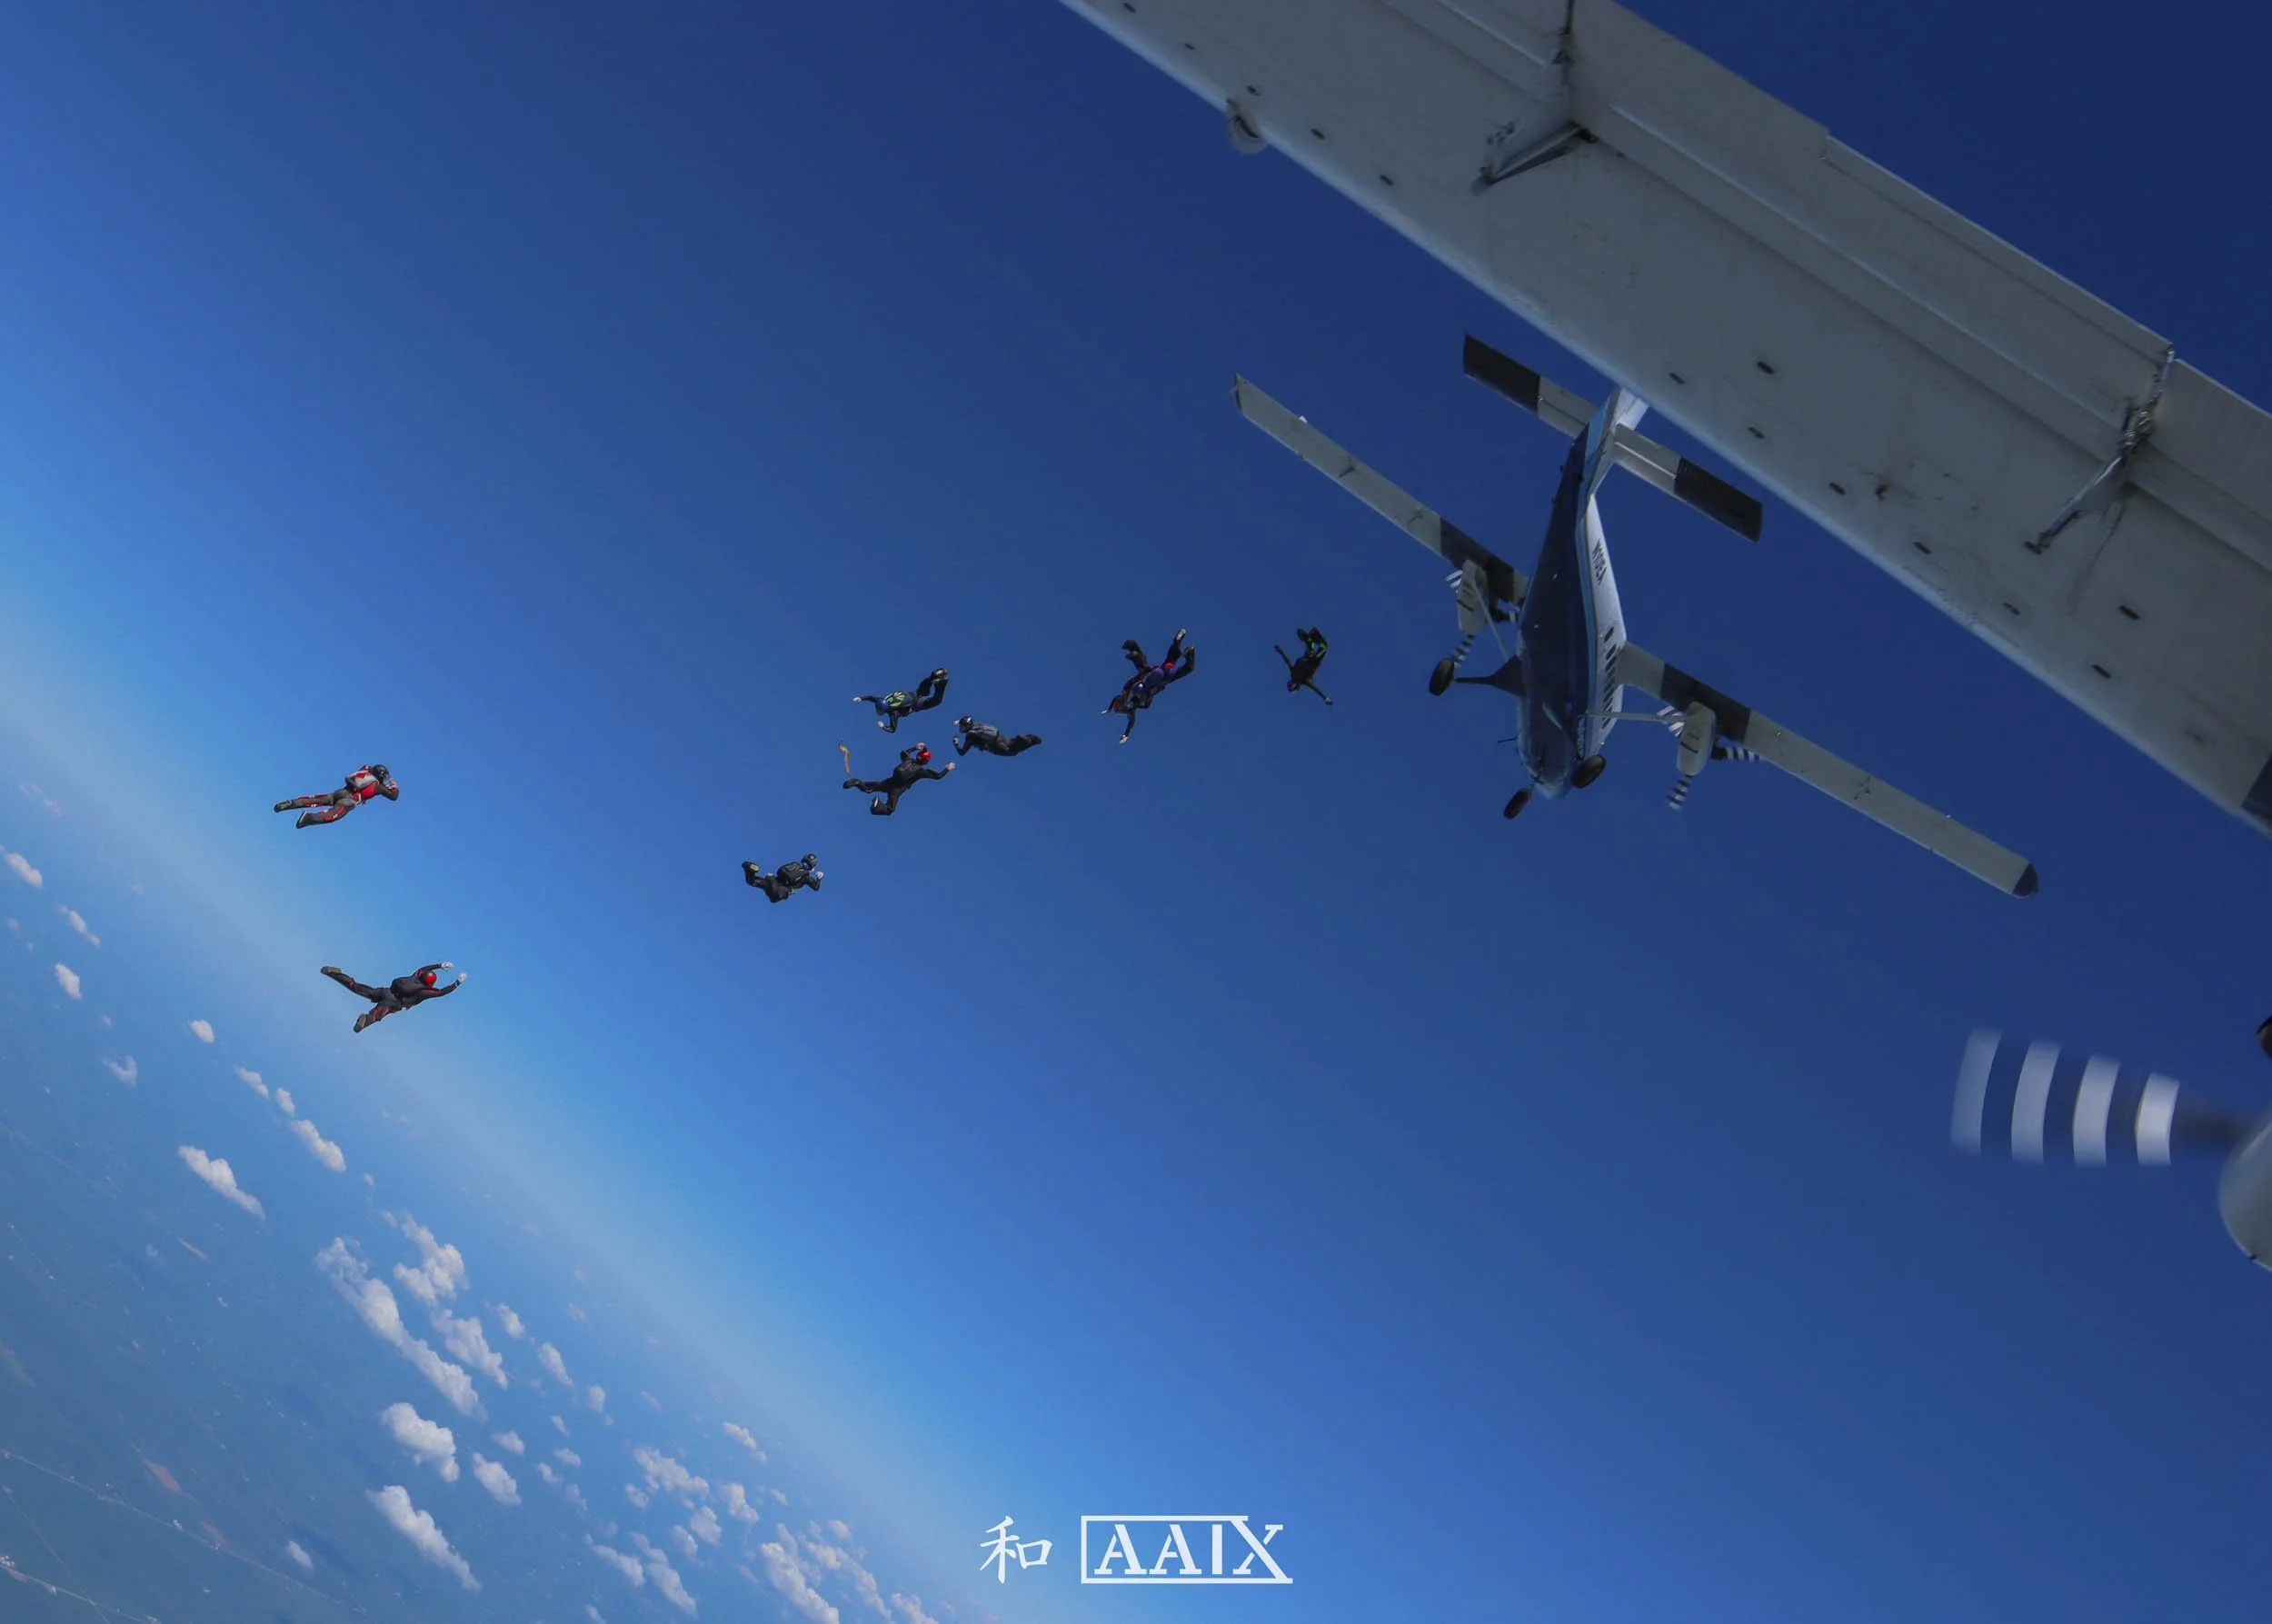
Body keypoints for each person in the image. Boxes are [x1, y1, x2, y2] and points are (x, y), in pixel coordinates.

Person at [321, 961, 464, 1033]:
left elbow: (424, 968)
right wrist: (457, 983)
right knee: (378, 1014)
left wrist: (440, 965)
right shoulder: (424, 991)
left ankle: (335, 974)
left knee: (358, 988)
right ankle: (365, 1021)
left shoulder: (415, 976)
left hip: (385, 991)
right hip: (393, 1002)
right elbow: (442, 992)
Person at [1105, 630, 1196, 742]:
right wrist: (1125, 733)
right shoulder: (1128, 697)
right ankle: (1178, 644)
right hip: (1159, 672)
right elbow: (1129, 718)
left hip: (1163, 676)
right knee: (1171, 660)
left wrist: (1126, 733)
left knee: (1186, 667)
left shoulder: (1132, 703)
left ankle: (1189, 651)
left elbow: (1131, 720)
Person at [275, 764, 399, 828]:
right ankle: (308, 818)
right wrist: (394, 786)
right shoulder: (378, 786)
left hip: (340, 792)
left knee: (316, 799)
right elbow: (394, 796)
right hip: (349, 800)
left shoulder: (366, 771)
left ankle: (291, 803)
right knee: (332, 815)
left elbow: (365, 768)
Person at [844, 743, 954, 815]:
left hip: (890, 781)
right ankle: (877, 807)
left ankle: (857, 782)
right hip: (897, 789)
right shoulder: (920, 771)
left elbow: (903, 753)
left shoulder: (909, 760)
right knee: (890, 809)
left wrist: (915, 748)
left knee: (869, 788)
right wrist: (947, 769)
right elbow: (938, 776)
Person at [853, 668, 949, 732]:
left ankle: (942, 682)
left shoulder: (893, 713)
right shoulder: (883, 700)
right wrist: (861, 698)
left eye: (880, 711)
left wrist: (882, 726)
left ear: (886, 710)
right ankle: (934, 676)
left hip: (916, 704)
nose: (878, 712)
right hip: (914, 694)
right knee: (925, 688)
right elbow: (872, 698)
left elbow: (892, 729)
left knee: (937, 701)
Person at [1275, 627, 1332, 704]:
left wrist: (1325, 698)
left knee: (1324, 647)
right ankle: (1309, 641)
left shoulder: (1302, 681)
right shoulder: (1293, 674)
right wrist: (1280, 651)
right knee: (1311, 649)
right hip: (1307, 659)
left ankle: (1310, 642)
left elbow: (1315, 689)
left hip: (1312, 661)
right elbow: (1287, 661)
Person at [743, 854, 822, 902]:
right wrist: (819, 878)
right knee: (774, 897)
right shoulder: (806, 877)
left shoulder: (795, 864)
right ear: (812, 867)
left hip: (774, 880)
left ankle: (748, 868)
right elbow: (816, 887)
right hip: (782, 890)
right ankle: (749, 868)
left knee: (752, 881)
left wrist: (771, 879)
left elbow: (781, 870)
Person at [952, 716, 1041, 757]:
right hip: (1001, 738)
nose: (960, 728)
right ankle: (1029, 740)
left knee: (1012, 751)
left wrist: (956, 744)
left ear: (965, 726)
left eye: (961, 726)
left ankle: (1028, 742)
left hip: (995, 746)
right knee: (1014, 743)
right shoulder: (977, 726)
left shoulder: (970, 736)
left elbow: (962, 752)